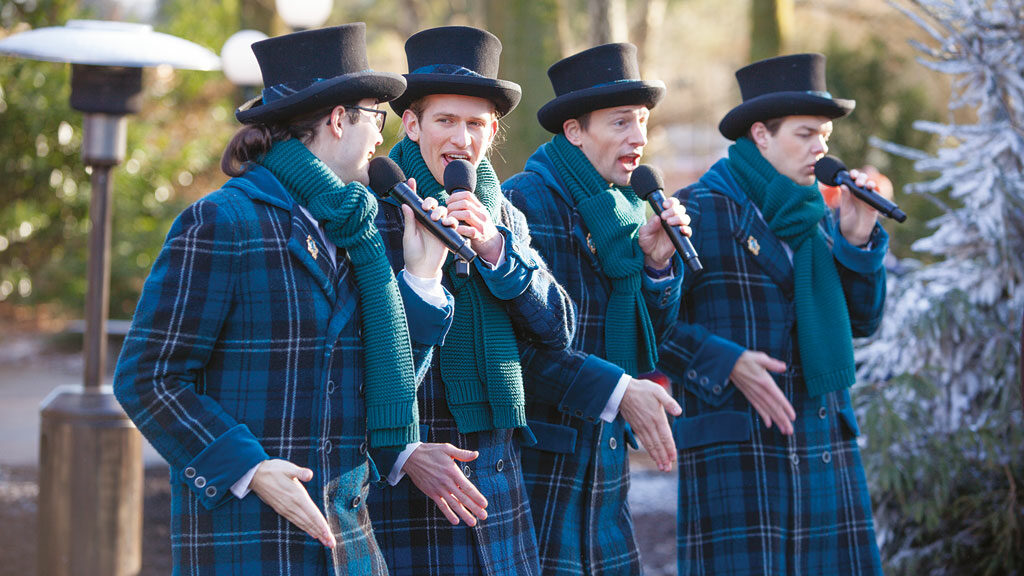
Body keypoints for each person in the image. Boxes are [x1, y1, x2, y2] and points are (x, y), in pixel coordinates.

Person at [113, 24, 459, 575]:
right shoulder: (222, 221)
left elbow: (378, 392)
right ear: (339, 119)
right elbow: (147, 377)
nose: (381, 137)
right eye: (376, 117)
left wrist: (422, 277)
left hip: (350, 546)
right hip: (250, 543)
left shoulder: (361, 232)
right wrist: (248, 468)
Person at [658, 53, 889, 575]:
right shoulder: (698, 210)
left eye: (825, 135)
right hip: (740, 457)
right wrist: (725, 361)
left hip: (823, 445)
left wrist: (857, 242)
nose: (820, 148)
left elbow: (864, 323)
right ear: (761, 135)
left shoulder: (821, 216)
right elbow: (650, 325)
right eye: (805, 134)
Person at [366, 26, 574, 576]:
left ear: (493, 130)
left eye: (476, 124)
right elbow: (351, 360)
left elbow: (558, 330)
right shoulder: (373, 211)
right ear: (411, 124)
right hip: (411, 480)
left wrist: (495, 251)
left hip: (499, 472)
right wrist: (402, 453)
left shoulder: (504, 216)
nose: (462, 139)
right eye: (446, 120)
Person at [501, 43, 689, 575]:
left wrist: (657, 267)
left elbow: (650, 342)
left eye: (643, 121)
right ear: (575, 131)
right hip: (543, 472)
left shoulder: (625, 208)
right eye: (621, 122)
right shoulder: (525, 202)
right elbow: (514, 353)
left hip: (606, 475)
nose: (639, 137)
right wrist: (617, 391)